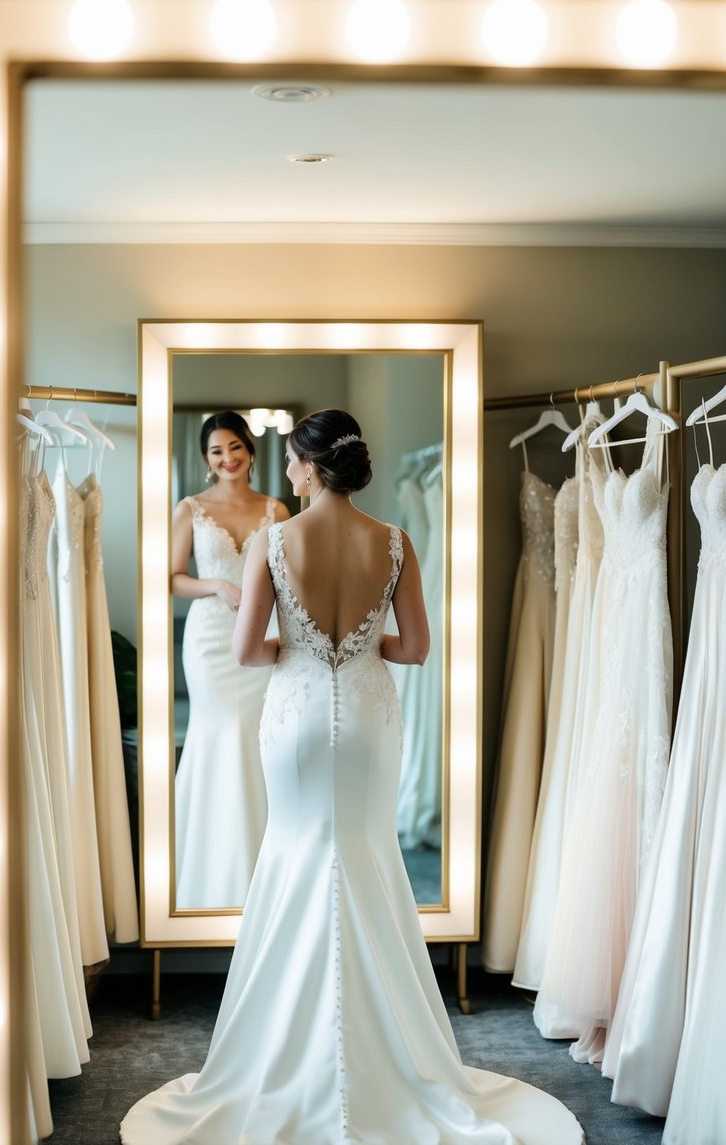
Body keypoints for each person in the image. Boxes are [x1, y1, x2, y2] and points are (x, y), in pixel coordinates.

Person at [124, 409, 583, 1145]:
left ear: (308, 467)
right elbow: (414, 651)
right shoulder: (394, 541)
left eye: (291, 463)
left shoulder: (274, 541)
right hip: (369, 721)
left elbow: (246, 655)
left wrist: (307, 652)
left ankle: (285, 1047)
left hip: (297, 722)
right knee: (367, 858)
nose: (286, 473)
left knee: (295, 855)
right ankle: (387, 1051)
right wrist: (355, 649)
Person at [171, 410, 289, 909]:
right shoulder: (190, 508)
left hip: (263, 634)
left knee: (259, 736)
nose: (227, 459)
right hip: (211, 640)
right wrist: (217, 584)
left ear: (250, 449)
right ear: (205, 459)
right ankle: (209, 872)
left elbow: (288, 578)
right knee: (218, 734)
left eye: (235, 448)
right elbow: (172, 578)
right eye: (217, 451)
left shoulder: (277, 510)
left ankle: (264, 870)